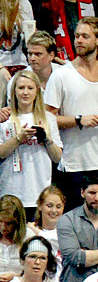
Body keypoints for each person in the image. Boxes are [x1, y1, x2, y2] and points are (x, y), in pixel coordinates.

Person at [0, 70, 61, 206]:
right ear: (14, 91)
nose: (25, 92)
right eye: (21, 88)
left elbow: (57, 158)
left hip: (40, 191)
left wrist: (46, 139)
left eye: (30, 88)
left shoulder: (49, 118)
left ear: (37, 91)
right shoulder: (5, 119)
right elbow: (1, 153)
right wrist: (18, 139)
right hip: (11, 191)